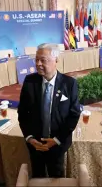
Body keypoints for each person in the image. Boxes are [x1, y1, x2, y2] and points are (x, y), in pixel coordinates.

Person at [18, 43, 81, 178]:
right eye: (36, 60)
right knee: (37, 176)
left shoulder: (69, 84)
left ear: (56, 60)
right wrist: (29, 137)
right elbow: (22, 113)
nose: (38, 64)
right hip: (35, 144)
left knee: (56, 177)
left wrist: (57, 140)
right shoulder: (30, 81)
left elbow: (74, 115)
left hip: (57, 144)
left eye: (43, 60)